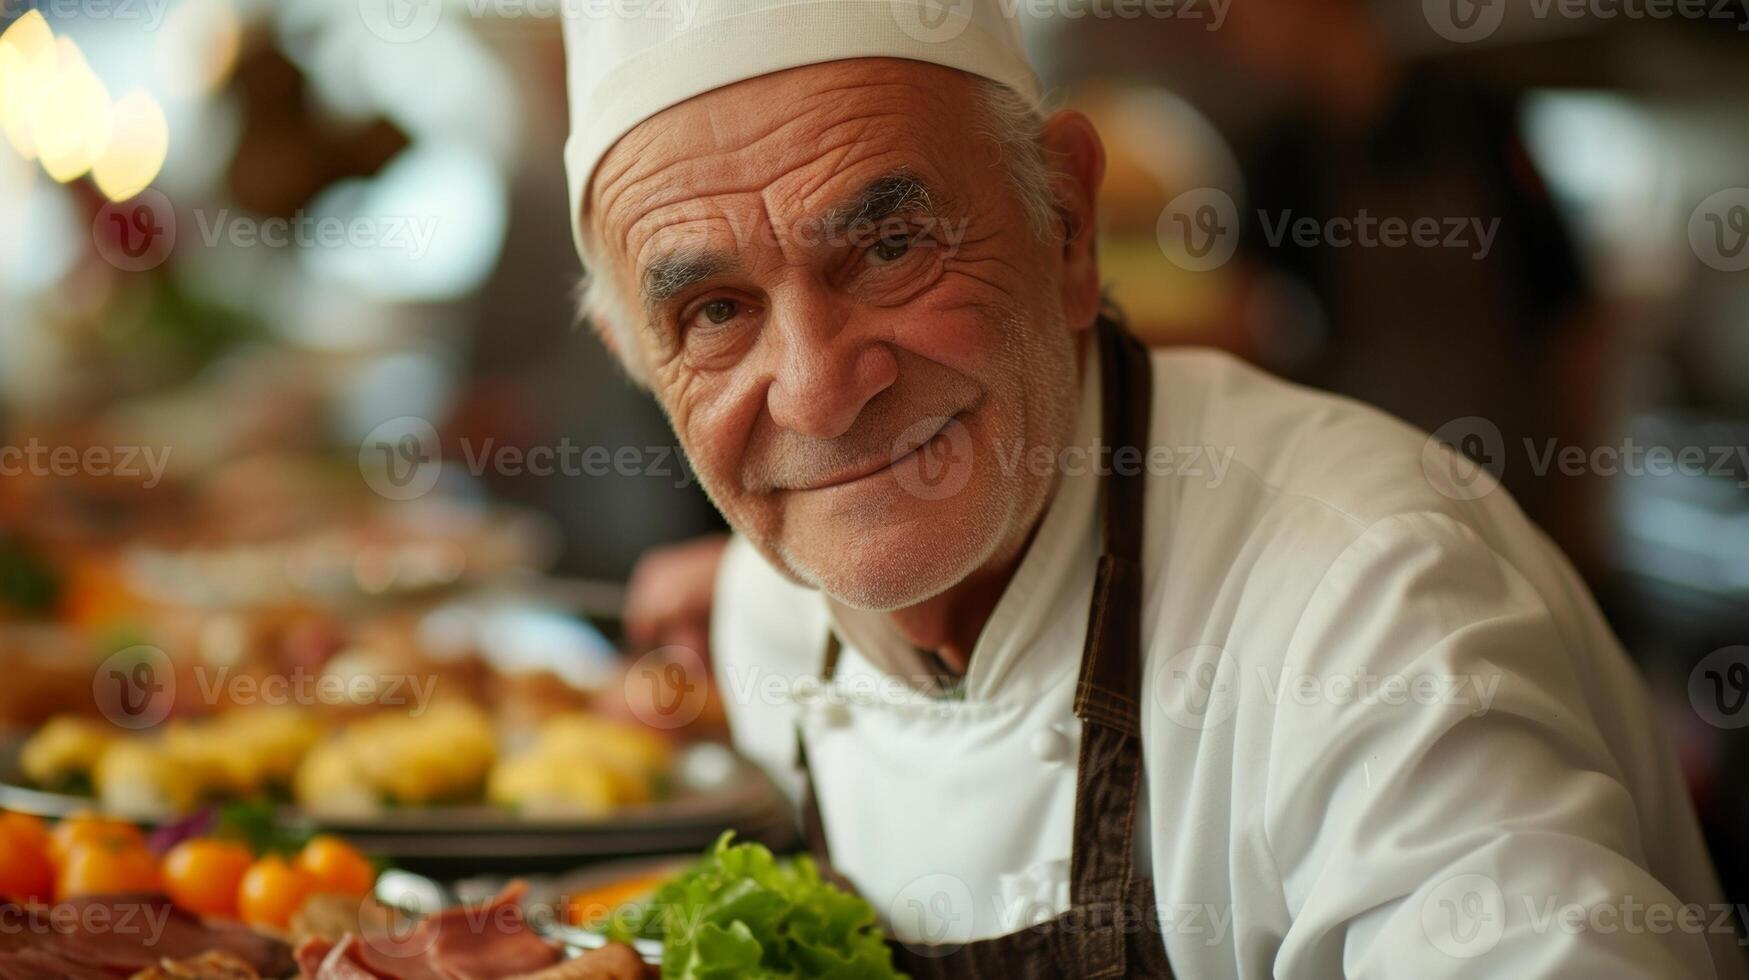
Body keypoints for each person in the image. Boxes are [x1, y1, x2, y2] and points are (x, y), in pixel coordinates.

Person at [570, 4, 1740, 975]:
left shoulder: (1374, 603)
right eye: (713, 310)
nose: (819, 394)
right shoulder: (765, 606)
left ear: (1068, 226)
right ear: (633, 356)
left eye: (891, 246)